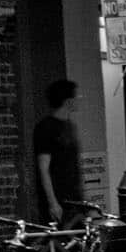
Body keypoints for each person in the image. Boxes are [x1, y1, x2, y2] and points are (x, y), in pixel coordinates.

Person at [35, 78, 84, 226]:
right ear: (67, 101)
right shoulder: (45, 128)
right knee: (60, 244)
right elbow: (44, 168)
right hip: (59, 200)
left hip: (74, 200)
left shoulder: (69, 126)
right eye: (76, 97)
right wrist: (52, 202)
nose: (78, 100)